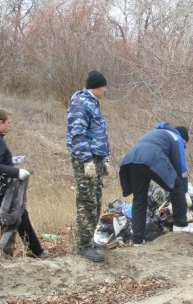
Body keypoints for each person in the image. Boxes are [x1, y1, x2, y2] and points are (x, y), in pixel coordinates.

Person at [0, 108, 51, 267]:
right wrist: (17, 171)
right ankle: (35, 251)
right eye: (9, 122)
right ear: (0, 122)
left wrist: (11, 161)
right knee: (20, 215)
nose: (11, 125)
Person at [119, 122, 193, 247]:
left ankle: (138, 240)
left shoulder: (157, 133)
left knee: (139, 199)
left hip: (132, 160)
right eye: (185, 145)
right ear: (183, 139)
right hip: (152, 157)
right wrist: (185, 190)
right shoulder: (176, 138)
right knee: (177, 186)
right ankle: (180, 225)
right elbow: (181, 167)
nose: (184, 147)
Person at [66, 70, 111, 262]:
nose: (106, 90)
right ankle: (83, 246)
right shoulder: (81, 104)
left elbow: (97, 133)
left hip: (96, 159)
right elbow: (78, 134)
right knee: (87, 202)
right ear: (98, 86)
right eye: (104, 86)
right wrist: (86, 161)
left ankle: (90, 240)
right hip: (86, 161)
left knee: (96, 201)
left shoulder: (92, 103)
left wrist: (104, 159)